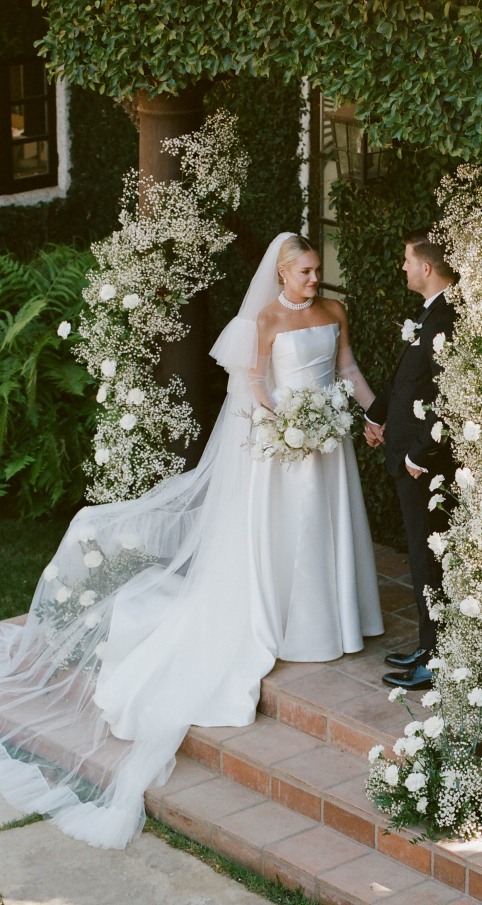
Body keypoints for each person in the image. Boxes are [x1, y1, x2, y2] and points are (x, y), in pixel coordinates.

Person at [0, 233, 383, 849]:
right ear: (283, 272)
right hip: (282, 448)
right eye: (306, 271)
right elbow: (254, 384)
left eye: (318, 271)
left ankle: (333, 618)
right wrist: (286, 425)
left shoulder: (334, 313)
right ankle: (289, 619)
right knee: (289, 536)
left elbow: (348, 370)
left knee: (327, 533)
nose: (316, 280)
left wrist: (370, 413)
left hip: (329, 445)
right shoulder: (263, 319)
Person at [364, 228, 455, 691]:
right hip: (403, 450)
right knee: (421, 556)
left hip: (424, 463)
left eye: (406, 260)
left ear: (426, 267)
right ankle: (428, 644)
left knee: (429, 556)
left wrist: (419, 454)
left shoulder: (448, 318)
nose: (401, 267)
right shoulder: (429, 313)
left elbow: (449, 395)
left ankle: (437, 660)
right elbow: (409, 383)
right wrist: (374, 416)